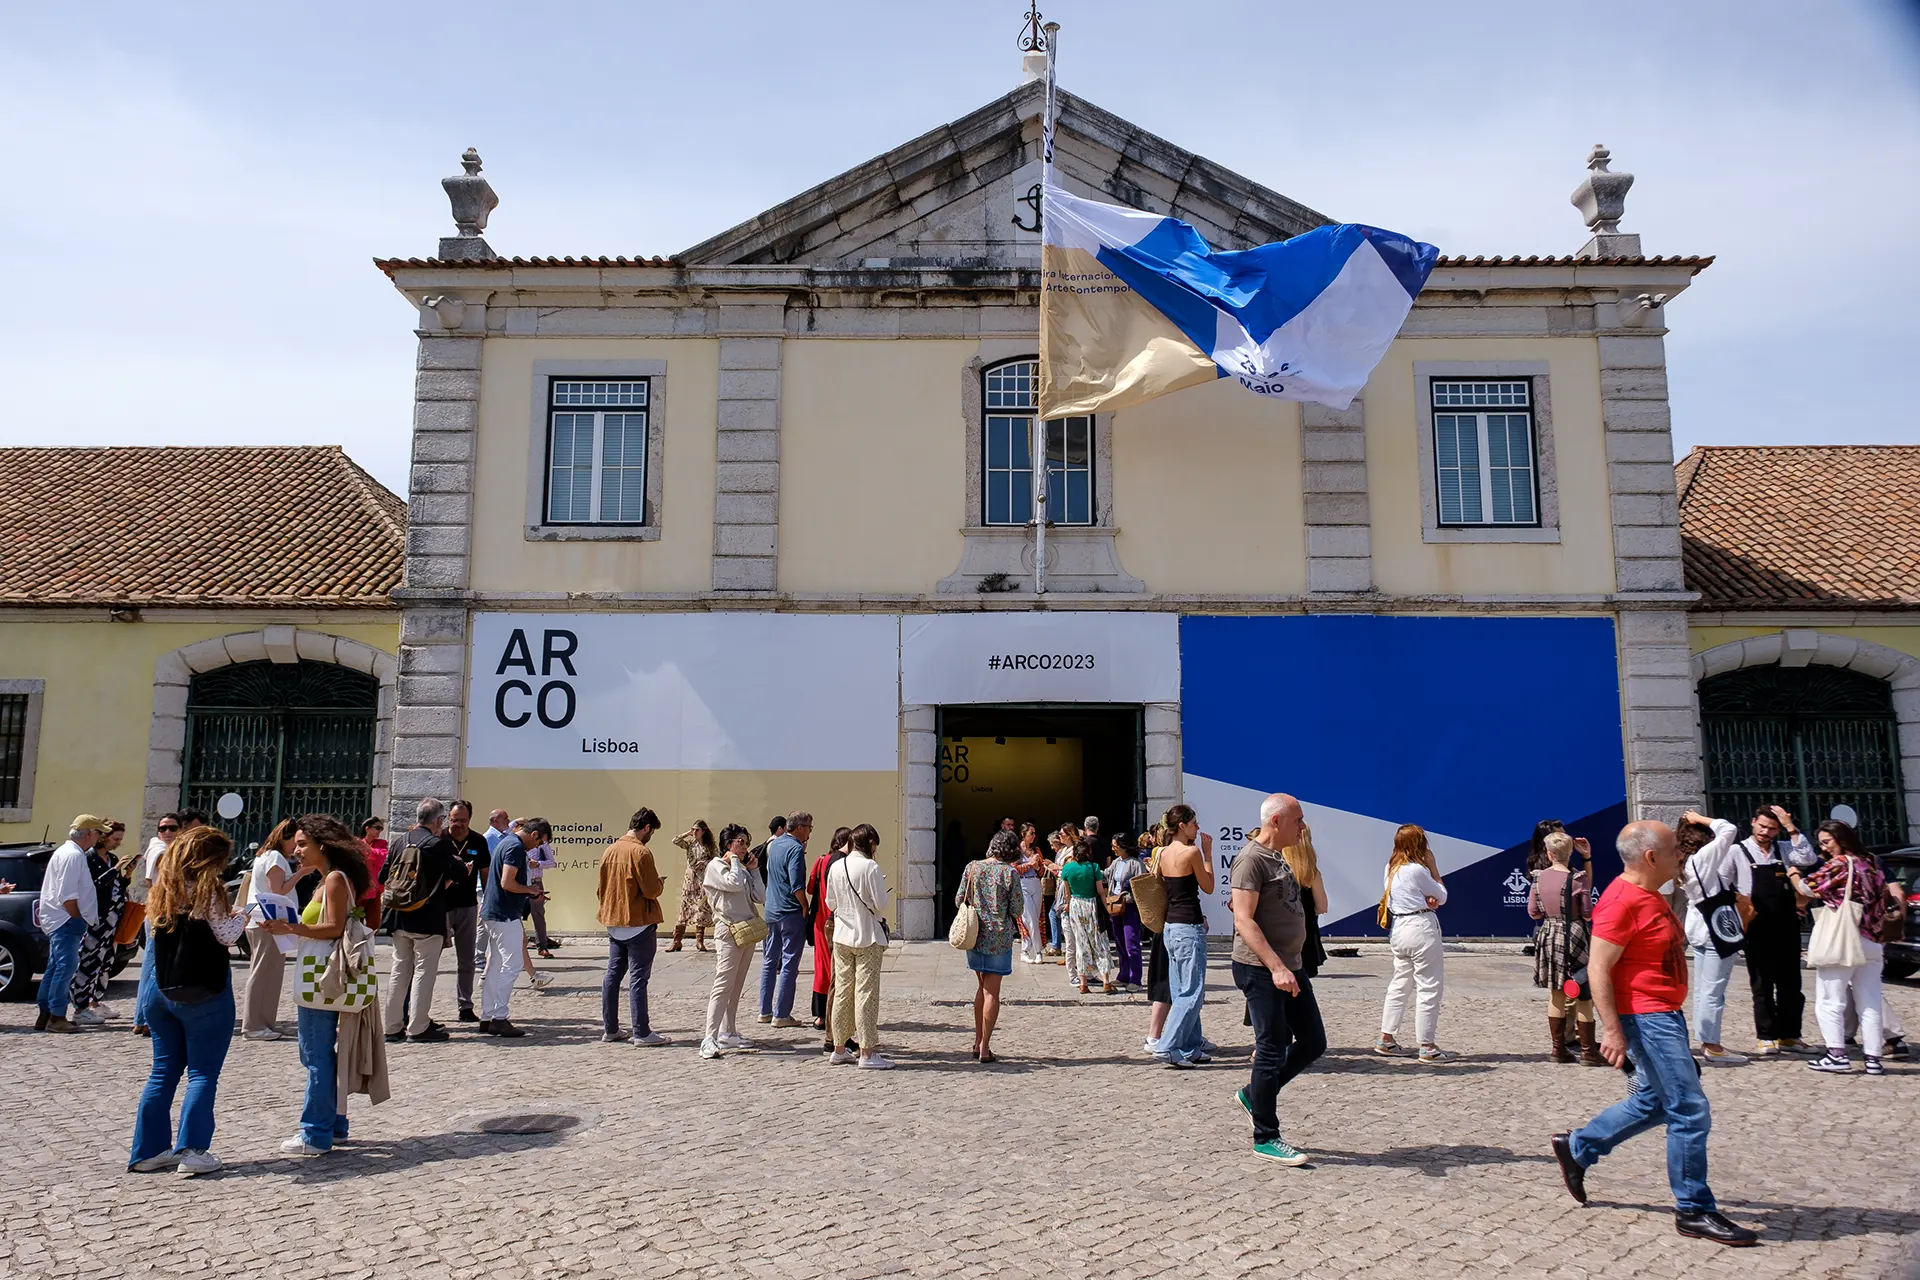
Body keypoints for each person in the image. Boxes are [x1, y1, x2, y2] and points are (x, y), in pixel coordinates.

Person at [1550, 821, 1758, 1247]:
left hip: (1664, 1014)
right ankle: (1693, 1209)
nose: (1681, 856)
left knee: (1653, 1100)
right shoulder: (1621, 900)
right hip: (1646, 1018)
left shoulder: (1652, 894)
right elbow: (1598, 968)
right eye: (1673, 851)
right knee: (1689, 1109)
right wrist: (1612, 1030)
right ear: (1650, 857)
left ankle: (1579, 1147)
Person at [128, 825, 245, 1176]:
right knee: (202, 1073)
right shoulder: (208, 888)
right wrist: (243, 915)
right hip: (203, 990)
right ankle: (193, 1150)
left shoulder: (163, 887)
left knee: (162, 1072)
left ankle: (148, 1151)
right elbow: (226, 934)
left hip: (161, 989)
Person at [1230, 793, 1326, 1167]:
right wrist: (1276, 966)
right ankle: (1266, 1136)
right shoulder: (1251, 860)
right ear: (1276, 822)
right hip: (1262, 969)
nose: (1303, 827)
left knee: (1314, 1041)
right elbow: (1244, 920)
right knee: (1270, 1048)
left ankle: (1255, 1095)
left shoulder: (1278, 857)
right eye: (1298, 820)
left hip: (1290, 965)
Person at [1792, 820, 1889, 1076]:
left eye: (1827, 842)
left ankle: (1836, 1055)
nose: (1824, 848)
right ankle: (1873, 1059)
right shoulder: (1873, 863)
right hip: (1873, 940)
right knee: (1870, 1003)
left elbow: (1807, 887)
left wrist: (1793, 874)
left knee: (1829, 999)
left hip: (1844, 938)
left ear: (1841, 840)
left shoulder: (1840, 863)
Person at [380, 798, 461, 1045]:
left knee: (399, 970)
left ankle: (392, 1027)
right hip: (427, 916)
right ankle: (418, 1026)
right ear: (438, 821)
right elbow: (458, 874)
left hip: (398, 915)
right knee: (424, 972)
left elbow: (383, 875)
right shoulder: (438, 845)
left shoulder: (399, 841)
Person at [1738, 803, 1817, 1055]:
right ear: (1753, 822)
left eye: (1772, 829)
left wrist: (1790, 828)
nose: (1766, 832)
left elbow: (1808, 858)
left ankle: (1790, 1035)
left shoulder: (1784, 849)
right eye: (1762, 826)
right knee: (1762, 982)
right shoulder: (1738, 851)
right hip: (1757, 925)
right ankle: (1766, 1035)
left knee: (1791, 982)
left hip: (1787, 924)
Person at [1675, 810, 1749, 1066]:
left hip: (1697, 921)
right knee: (1714, 989)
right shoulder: (1703, 857)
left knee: (1703, 987)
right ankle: (1712, 1044)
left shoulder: (1682, 860)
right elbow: (1728, 829)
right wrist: (1702, 819)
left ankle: (1703, 1037)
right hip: (1715, 924)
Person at [1376, 824, 1455, 1063]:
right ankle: (1427, 1046)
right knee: (1429, 987)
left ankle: (1386, 1038)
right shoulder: (1418, 870)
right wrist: (1434, 868)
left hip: (1400, 928)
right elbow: (1442, 895)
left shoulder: (1390, 868)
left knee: (1400, 984)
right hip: (1420, 927)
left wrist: (1425, 897)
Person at [1526, 831, 1603, 1064]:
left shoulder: (1538, 878)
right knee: (1583, 995)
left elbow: (1533, 912)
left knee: (1556, 994)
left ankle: (1558, 1049)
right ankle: (1589, 1051)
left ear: (1549, 854)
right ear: (1570, 853)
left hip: (1549, 934)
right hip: (1575, 935)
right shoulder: (1578, 879)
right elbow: (1588, 914)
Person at [597, 807, 669, 1046]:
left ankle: (611, 1028)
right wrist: (660, 884)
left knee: (612, 975)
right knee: (638, 978)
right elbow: (650, 890)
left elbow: (601, 889)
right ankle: (641, 1032)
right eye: (651, 832)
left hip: (614, 921)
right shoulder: (641, 852)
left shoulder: (609, 850)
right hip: (638, 921)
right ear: (646, 828)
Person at [1148, 805, 1213, 1068]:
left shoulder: (1161, 852)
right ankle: (1168, 1045)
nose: (1197, 828)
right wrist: (1208, 855)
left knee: (1179, 989)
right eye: (1194, 823)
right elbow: (1208, 887)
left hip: (1170, 927)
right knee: (1192, 992)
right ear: (1182, 825)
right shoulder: (1191, 852)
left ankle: (1190, 1044)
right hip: (1189, 926)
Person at [826, 823, 894, 1069]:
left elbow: (830, 902)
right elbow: (881, 904)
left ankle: (839, 1047)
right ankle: (866, 1051)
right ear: (871, 844)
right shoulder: (870, 867)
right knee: (866, 994)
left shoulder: (836, 865)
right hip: (867, 935)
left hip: (842, 935)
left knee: (843, 990)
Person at [35, 815, 110, 1032]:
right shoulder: (73, 855)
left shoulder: (69, 852)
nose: (100, 837)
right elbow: (68, 894)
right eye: (98, 833)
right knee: (65, 969)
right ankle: (57, 1017)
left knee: (55, 968)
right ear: (89, 834)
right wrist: (76, 917)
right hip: (66, 920)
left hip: (61, 919)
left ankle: (46, 1014)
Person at [134, 809, 204, 1037]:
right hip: (161, 913)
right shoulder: (161, 850)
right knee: (154, 966)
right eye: (162, 828)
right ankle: (144, 1017)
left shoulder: (165, 849)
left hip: (161, 911)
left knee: (155, 965)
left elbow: (149, 881)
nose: (167, 832)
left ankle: (144, 1017)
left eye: (172, 828)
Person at [957, 830, 1024, 1063]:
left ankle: (977, 1041)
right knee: (991, 992)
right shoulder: (1010, 873)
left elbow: (959, 900)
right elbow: (1017, 909)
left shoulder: (972, 867)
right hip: (999, 936)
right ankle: (985, 1047)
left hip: (976, 934)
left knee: (981, 988)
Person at [479, 816, 549, 1038]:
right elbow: (507, 882)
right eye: (539, 843)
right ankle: (499, 1017)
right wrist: (530, 890)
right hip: (504, 914)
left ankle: (487, 1016)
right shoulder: (516, 847)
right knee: (512, 965)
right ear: (534, 834)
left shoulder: (507, 842)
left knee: (495, 965)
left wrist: (529, 891)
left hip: (494, 912)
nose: (536, 847)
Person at [700, 824, 764, 1059]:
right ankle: (709, 1036)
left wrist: (754, 870)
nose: (745, 847)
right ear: (728, 845)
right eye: (741, 842)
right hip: (728, 931)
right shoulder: (716, 867)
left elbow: (760, 896)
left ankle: (729, 1031)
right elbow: (733, 884)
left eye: (746, 842)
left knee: (737, 985)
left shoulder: (743, 868)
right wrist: (736, 863)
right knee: (723, 983)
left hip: (746, 930)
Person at [237, 818, 299, 1041]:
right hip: (267, 922)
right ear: (285, 837)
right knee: (263, 973)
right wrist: (301, 873)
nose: (297, 846)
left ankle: (263, 1023)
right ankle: (253, 1025)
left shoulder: (266, 855)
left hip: (263, 921)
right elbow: (279, 891)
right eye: (295, 840)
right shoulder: (274, 857)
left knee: (268, 973)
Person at [70, 820, 129, 1025]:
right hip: (96, 918)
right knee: (88, 962)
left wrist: (126, 875)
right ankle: (80, 1006)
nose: (117, 843)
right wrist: (115, 871)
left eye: (120, 839)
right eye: (115, 839)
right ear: (103, 836)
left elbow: (114, 887)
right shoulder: (89, 859)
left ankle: (96, 1001)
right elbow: (92, 887)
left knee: (105, 962)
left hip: (112, 919)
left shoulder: (112, 858)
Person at [758, 810, 812, 1028]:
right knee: (789, 962)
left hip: (771, 909)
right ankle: (782, 1013)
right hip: (789, 911)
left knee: (770, 961)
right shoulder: (795, 848)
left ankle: (764, 1011)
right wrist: (805, 905)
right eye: (809, 827)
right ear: (799, 828)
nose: (810, 832)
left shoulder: (775, 845)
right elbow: (796, 884)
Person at [806, 827, 855, 1046]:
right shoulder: (843, 863)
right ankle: (832, 1022)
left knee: (822, 967)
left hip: (819, 919)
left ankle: (819, 1015)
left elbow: (810, 887)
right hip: (835, 919)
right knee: (836, 971)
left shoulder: (820, 860)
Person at [444, 801, 490, 1023]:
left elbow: (485, 873)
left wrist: (487, 902)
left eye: (463, 820)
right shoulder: (440, 840)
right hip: (441, 906)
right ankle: (419, 1008)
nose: (458, 825)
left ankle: (465, 1005)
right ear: (448, 818)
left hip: (468, 905)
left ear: (469, 819)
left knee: (467, 960)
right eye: (454, 820)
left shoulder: (478, 841)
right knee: (428, 959)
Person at [1059, 836, 1116, 995]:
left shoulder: (1068, 869)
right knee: (1100, 942)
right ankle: (1106, 981)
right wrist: (1107, 908)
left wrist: (1069, 906)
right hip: (1092, 905)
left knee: (1080, 943)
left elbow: (1067, 892)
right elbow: (1100, 891)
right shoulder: (1094, 867)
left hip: (1076, 905)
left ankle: (1083, 983)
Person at [667, 820, 717, 953]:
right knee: (685, 908)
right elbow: (675, 840)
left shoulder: (709, 846)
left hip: (702, 881)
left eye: (697, 830)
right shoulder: (690, 844)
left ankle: (699, 941)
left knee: (701, 909)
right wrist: (687, 833)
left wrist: (705, 863)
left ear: (703, 831)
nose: (694, 832)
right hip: (690, 880)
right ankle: (677, 941)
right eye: (693, 829)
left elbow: (717, 860)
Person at [1107, 834, 1145, 992]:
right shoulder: (1117, 862)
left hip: (1129, 907)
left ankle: (1135, 978)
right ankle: (1123, 975)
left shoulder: (1136, 864)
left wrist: (1129, 897)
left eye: (1115, 845)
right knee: (1120, 942)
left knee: (1131, 943)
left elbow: (1142, 885)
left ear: (1124, 846)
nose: (1113, 848)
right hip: (1115, 905)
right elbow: (1106, 875)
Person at [1015, 823, 1046, 964]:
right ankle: (1036, 951)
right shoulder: (1017, 851)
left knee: (1036, 917)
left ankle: (1026, 949)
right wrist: (1029, 865)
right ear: (1023, 834)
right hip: (1023, 883)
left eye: (1034, 833)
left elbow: (1041, 871)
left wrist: (1038, 866)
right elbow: (1014, 869)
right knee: (1029, 918)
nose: (1033, 836)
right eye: (1031, 833)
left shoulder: (1036, 850)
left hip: (1035, 883)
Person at [527, 826, 559, 956]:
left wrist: (538, 864)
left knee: (538, 914)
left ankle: (542, 947)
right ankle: (517, 945)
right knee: (514, 914)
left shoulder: (542, 844)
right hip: (518, 881)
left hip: (535, 881)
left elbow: (552, 862)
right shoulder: (516, 840)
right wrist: (515, 823)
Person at [359, 816, 389, 934]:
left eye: (381, 829)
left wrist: (369, 850)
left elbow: (382, 858)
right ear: (367, 828)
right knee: (356, 920)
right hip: (360, 888)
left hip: (375, 889)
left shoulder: (382, 843)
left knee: (374, 923)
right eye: (377, 828)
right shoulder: (358, 844)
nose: (379, 831)